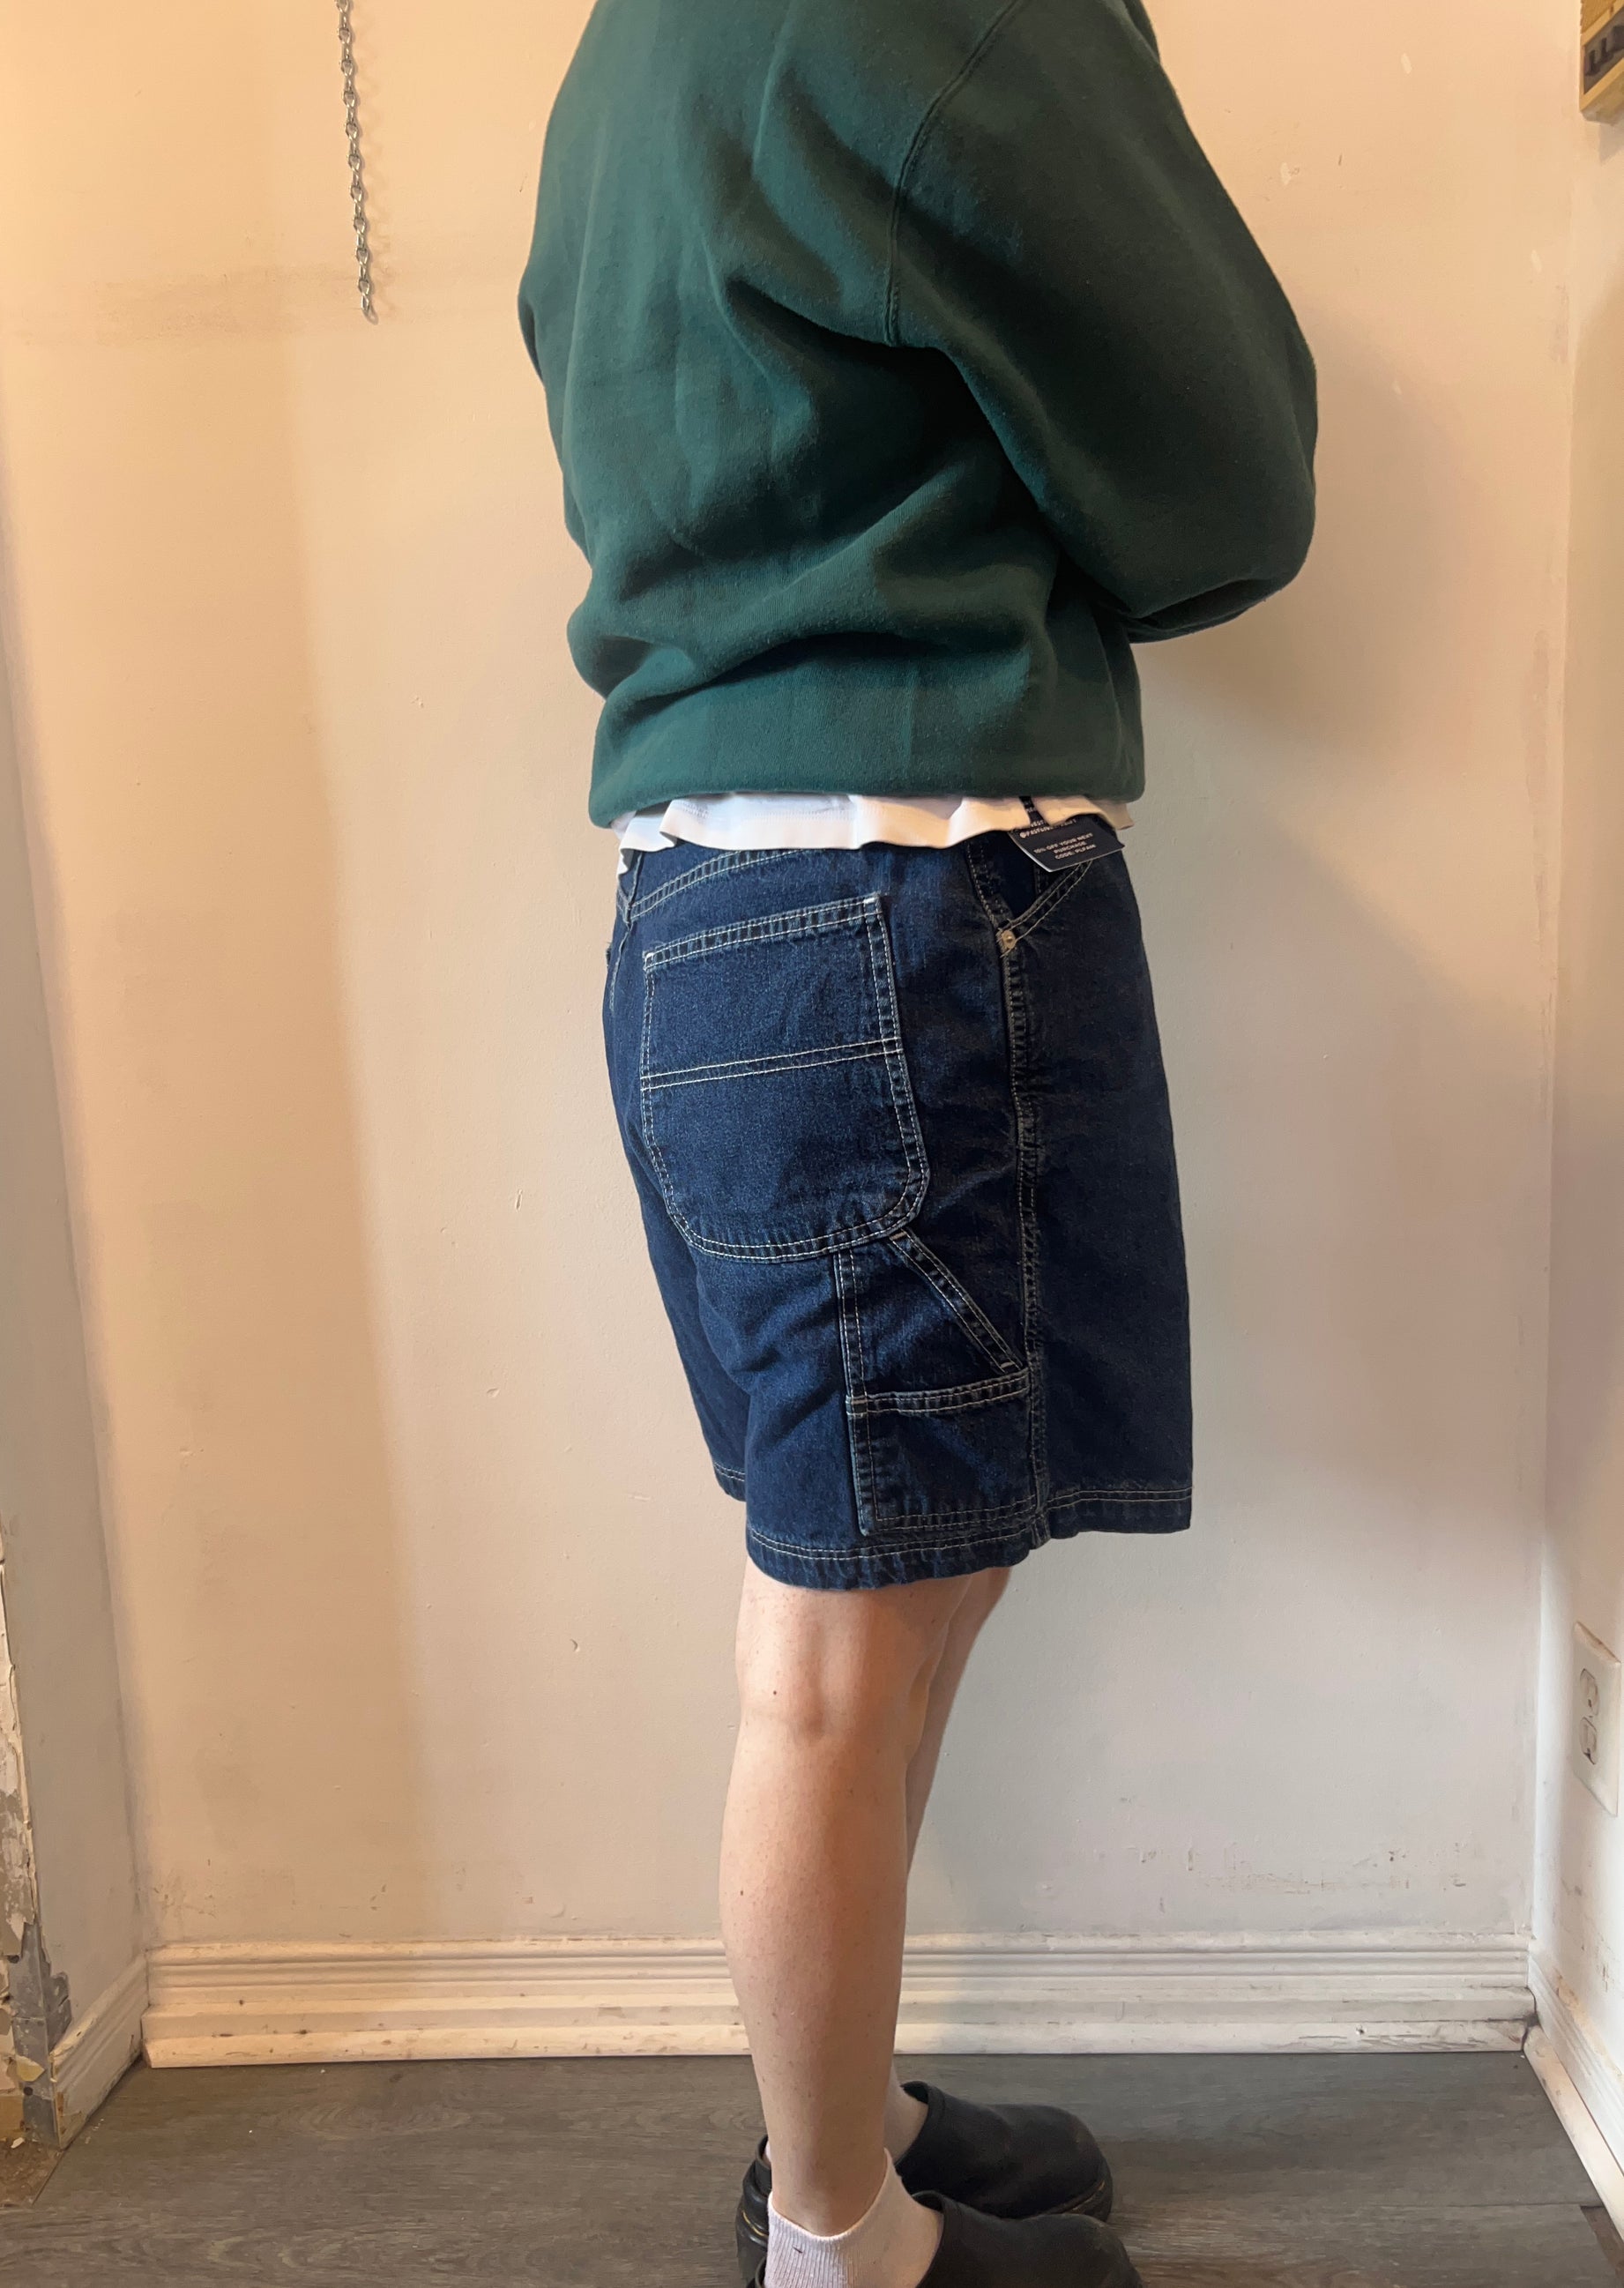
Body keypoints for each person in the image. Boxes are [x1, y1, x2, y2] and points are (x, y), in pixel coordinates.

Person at [519, 0, 1316, 2279]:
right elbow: (1227, 467)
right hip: (897, 893)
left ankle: (838, 2113)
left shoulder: (624, 50)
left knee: (902, 1575)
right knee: (839, 1642)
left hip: (711, 912)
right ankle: (837, 2242)